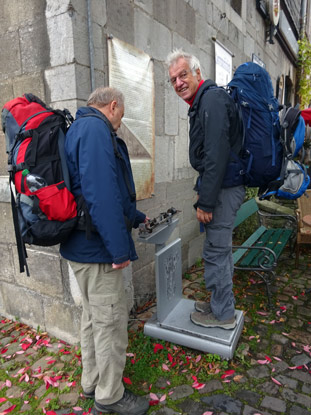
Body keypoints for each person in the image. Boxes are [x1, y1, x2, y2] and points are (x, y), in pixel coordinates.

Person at [60, 87, 149, 415]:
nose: (118, 125)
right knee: (110, 322)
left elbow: (100, 189)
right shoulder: (96, 129)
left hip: (79, 247)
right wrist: (118, 249)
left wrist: (137, 217)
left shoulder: (78, 129)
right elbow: (100, 194)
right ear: (112, 106)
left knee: (92, 318)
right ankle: (109, 397)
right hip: (97, 250)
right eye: (120, 117)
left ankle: (90, 382)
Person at [166, 49, 245, 330]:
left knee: (215, 252)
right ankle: (218, 303)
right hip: (221, 187)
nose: (178, 83)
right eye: (173, 79)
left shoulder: (210, 99)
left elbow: (216, 155)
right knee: (217, 250)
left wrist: (207, 202)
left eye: (183, 75)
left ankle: (222, 314)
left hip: (224, 189)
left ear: (198, 73)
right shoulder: (204, 101)